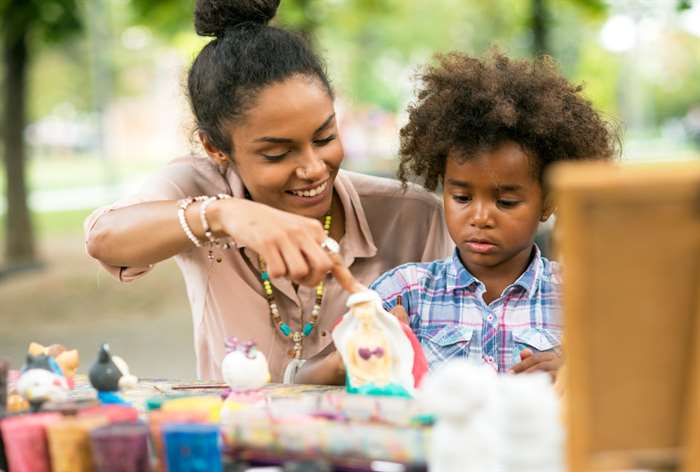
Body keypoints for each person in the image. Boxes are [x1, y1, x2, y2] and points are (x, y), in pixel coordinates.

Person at [84, 0, 452, 383]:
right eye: (277, 153)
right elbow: (105, 237)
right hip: (234, 439)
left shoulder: (415, 217)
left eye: (325, 136)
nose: (313, 168)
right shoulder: (198, 188)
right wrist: (226, 216)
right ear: (214, 148)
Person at [369, 51, 619, 377]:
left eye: (505, 202)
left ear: (547, 203)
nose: (481, 217)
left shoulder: (579, 295)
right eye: (462, 197)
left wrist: (575, 376)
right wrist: (376, 352)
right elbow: (333, 377)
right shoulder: (404, 293)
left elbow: (626, 384)